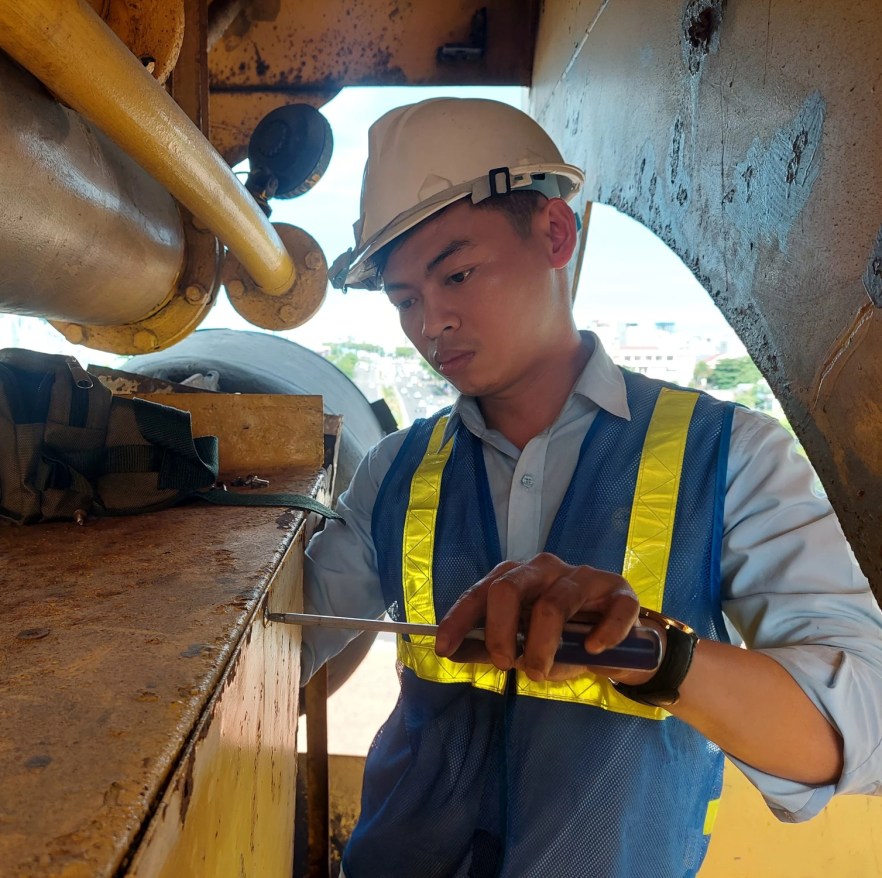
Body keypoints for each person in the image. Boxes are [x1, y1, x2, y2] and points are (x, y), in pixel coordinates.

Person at [305, 98, 882, 878]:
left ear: (554, 233)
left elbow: (859, 724)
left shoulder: (731, 458)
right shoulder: (395, 473)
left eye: (458, 274)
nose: (429, 323)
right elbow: (287, 630)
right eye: (404, 299)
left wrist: (659, 657)